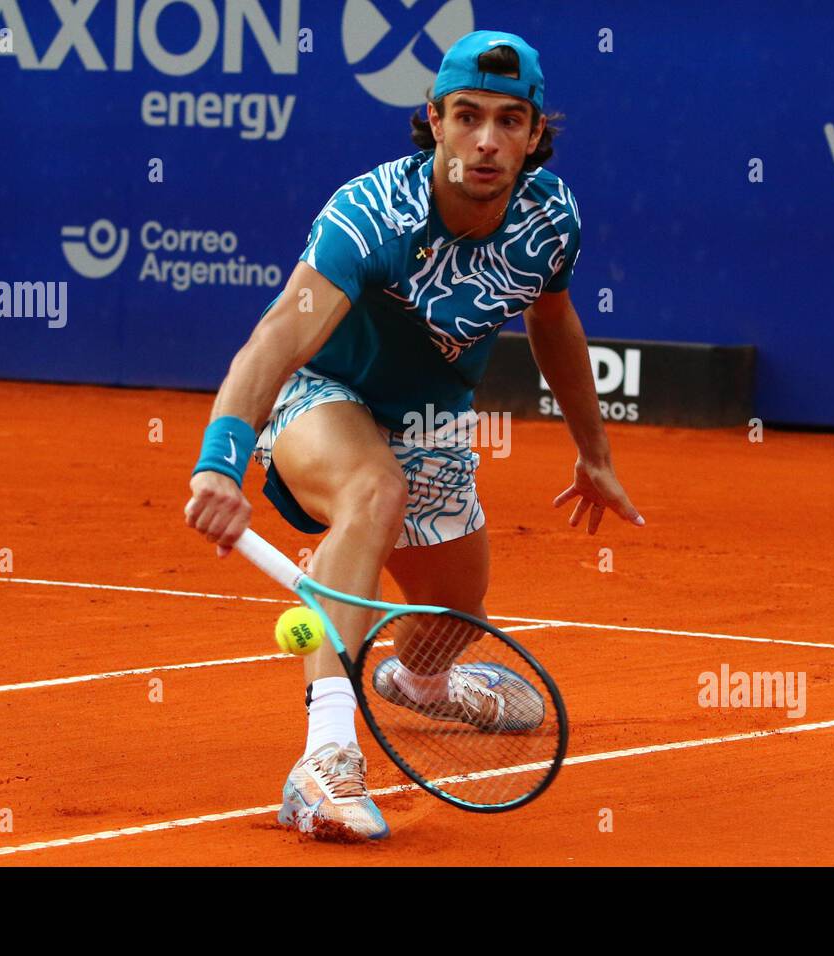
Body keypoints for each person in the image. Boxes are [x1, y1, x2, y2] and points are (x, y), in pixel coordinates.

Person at [184, 30, 643, 841]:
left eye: (510, 121)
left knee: (456, 613)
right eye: (467, 117)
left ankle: (422, 684)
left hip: (429, 423)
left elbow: (554, 321)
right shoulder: (369, 218)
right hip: (321, 393)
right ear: (433, 119)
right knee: (374, 493)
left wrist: (594, 450)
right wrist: (219, 462)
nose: (487, 141)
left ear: (537, 133)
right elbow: (274, 344)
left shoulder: (550, 218)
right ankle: (323, 759)